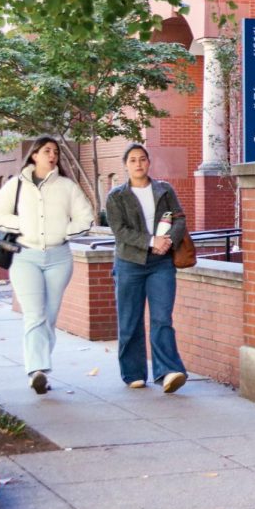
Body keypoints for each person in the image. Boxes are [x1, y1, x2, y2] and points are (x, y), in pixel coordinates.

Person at [0, 136, 94, 394]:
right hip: (25, 256)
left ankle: (41, 368)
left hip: (59, 258)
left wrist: (63, 231)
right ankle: (37, 370)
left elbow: (86, 217)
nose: (52, 155)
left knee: (50, 314)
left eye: (55, 151)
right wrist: (23, 226)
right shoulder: (16, 186)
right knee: (34, 314)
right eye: (47, 150)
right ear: (34, 155)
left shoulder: (67, 186)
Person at [105, 143, 189, 393]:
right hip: (130, 263)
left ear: (149, 162)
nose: (138, 164)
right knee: (130, 320)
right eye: (132, 160)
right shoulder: (116, 196)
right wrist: (152, 241)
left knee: (162, 318)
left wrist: (169, 241)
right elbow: (119, 231)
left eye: (142, 159)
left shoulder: (164, 190)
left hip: (161, 264)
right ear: (126, 165)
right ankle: (133, 372)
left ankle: (168, 371)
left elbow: (179, 218)